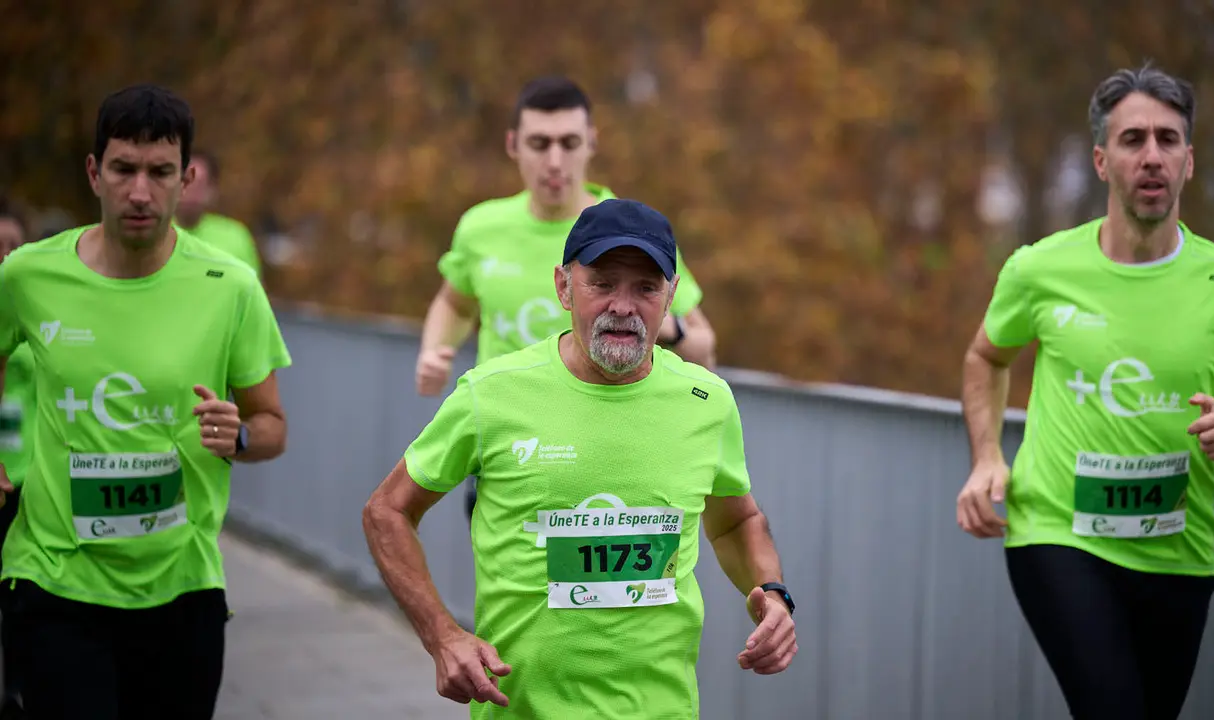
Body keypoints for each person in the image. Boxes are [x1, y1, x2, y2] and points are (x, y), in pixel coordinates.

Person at [365, 198, 797, 718]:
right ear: (564, 287)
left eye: (646, 288)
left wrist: (772, 593)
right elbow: (387, 511)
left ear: (671, 296)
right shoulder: (492, 394)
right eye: (602, 283)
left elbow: (736, 521)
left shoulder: (706, 400)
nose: (623, 306)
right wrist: (441, 636)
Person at [957, 63, 1214, 720]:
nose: (1152, 156)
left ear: (1189, 162)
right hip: (1057, 535)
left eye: (1168, 139)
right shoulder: (1040, 268)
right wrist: (987, 457)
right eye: (1133, 140)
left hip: (1178, 552)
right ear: (1102, 161)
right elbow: (985, 357)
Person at [0, 84, 292, 720]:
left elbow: (272, 426)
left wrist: (239, 435)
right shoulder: (27, 275)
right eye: (123, 169)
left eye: (160, 172)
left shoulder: (230, 287)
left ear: (186, 180)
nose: (140, 192)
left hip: (181, 588)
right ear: (94, 173)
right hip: (56, 579)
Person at [415, 75, 718, 523]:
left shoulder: (629, 234)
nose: (555, 161)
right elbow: (454, 304)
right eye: (540, 144)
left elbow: (704, 348)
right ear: (513, 145)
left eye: (569, 143)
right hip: (508, 444)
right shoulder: (481, 228)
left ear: (592, 143)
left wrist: (664, 328)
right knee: (507, 566)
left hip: (605, 451)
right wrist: (432, 351)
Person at [0, 196, 34, 718]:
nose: (4, 256)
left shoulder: (39, 322)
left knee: (21, 609)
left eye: (13, 245)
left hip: (27, 483)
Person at [175, 149, 263, 276]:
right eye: (187, 182)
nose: (192, 192)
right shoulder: (156, 235)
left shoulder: (235, 237)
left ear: (212, 190)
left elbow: (252, 285)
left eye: (199, 185)